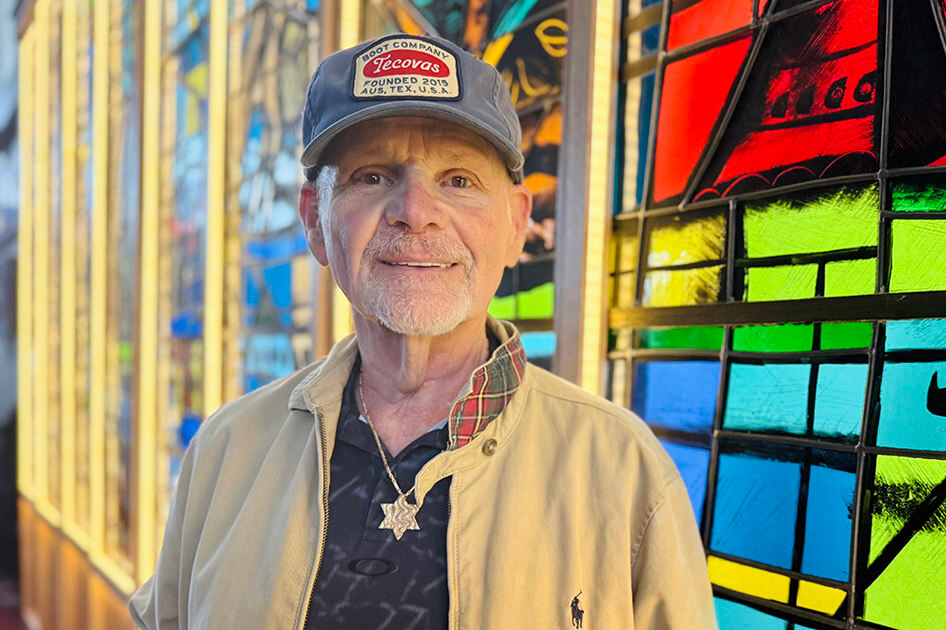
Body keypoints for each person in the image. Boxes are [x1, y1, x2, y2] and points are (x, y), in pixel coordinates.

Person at [130, 33, 716, 629]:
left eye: (458, 180)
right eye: (372, 177)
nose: (415, 211)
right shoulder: (226, 451)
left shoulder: (624, 471)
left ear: (516, 225)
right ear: (315, 220)